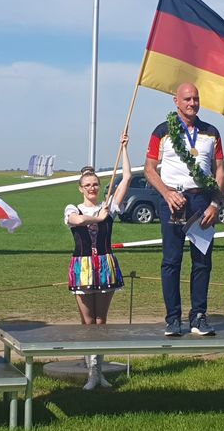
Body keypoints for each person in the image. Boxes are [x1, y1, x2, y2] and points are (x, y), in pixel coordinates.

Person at [145, 82, 224, 337]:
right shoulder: (162, 131)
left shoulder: (211, 132)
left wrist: (215, 202)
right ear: (176, 101)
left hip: (202, 201)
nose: (192, 103)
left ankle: (199, 317)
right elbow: (149, 169)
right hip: (173, 202)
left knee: (202, 261)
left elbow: (220, 170)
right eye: (188, 99)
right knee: (171, 261)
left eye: (196, 99)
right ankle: (173, 319)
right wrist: (167, 193)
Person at [64, 134, 131, 390]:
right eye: (88, 185)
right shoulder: (73, 208)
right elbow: (76, 222)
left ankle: (99, 372)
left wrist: (124, 148)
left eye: (95, 184)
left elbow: (126, 178)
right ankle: (90, 372)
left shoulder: (109, 205)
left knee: (101, 322)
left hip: (104, 266)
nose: (92, 188)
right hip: (82, 268)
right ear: (81, 188)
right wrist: (98, 219)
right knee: (87, 322)